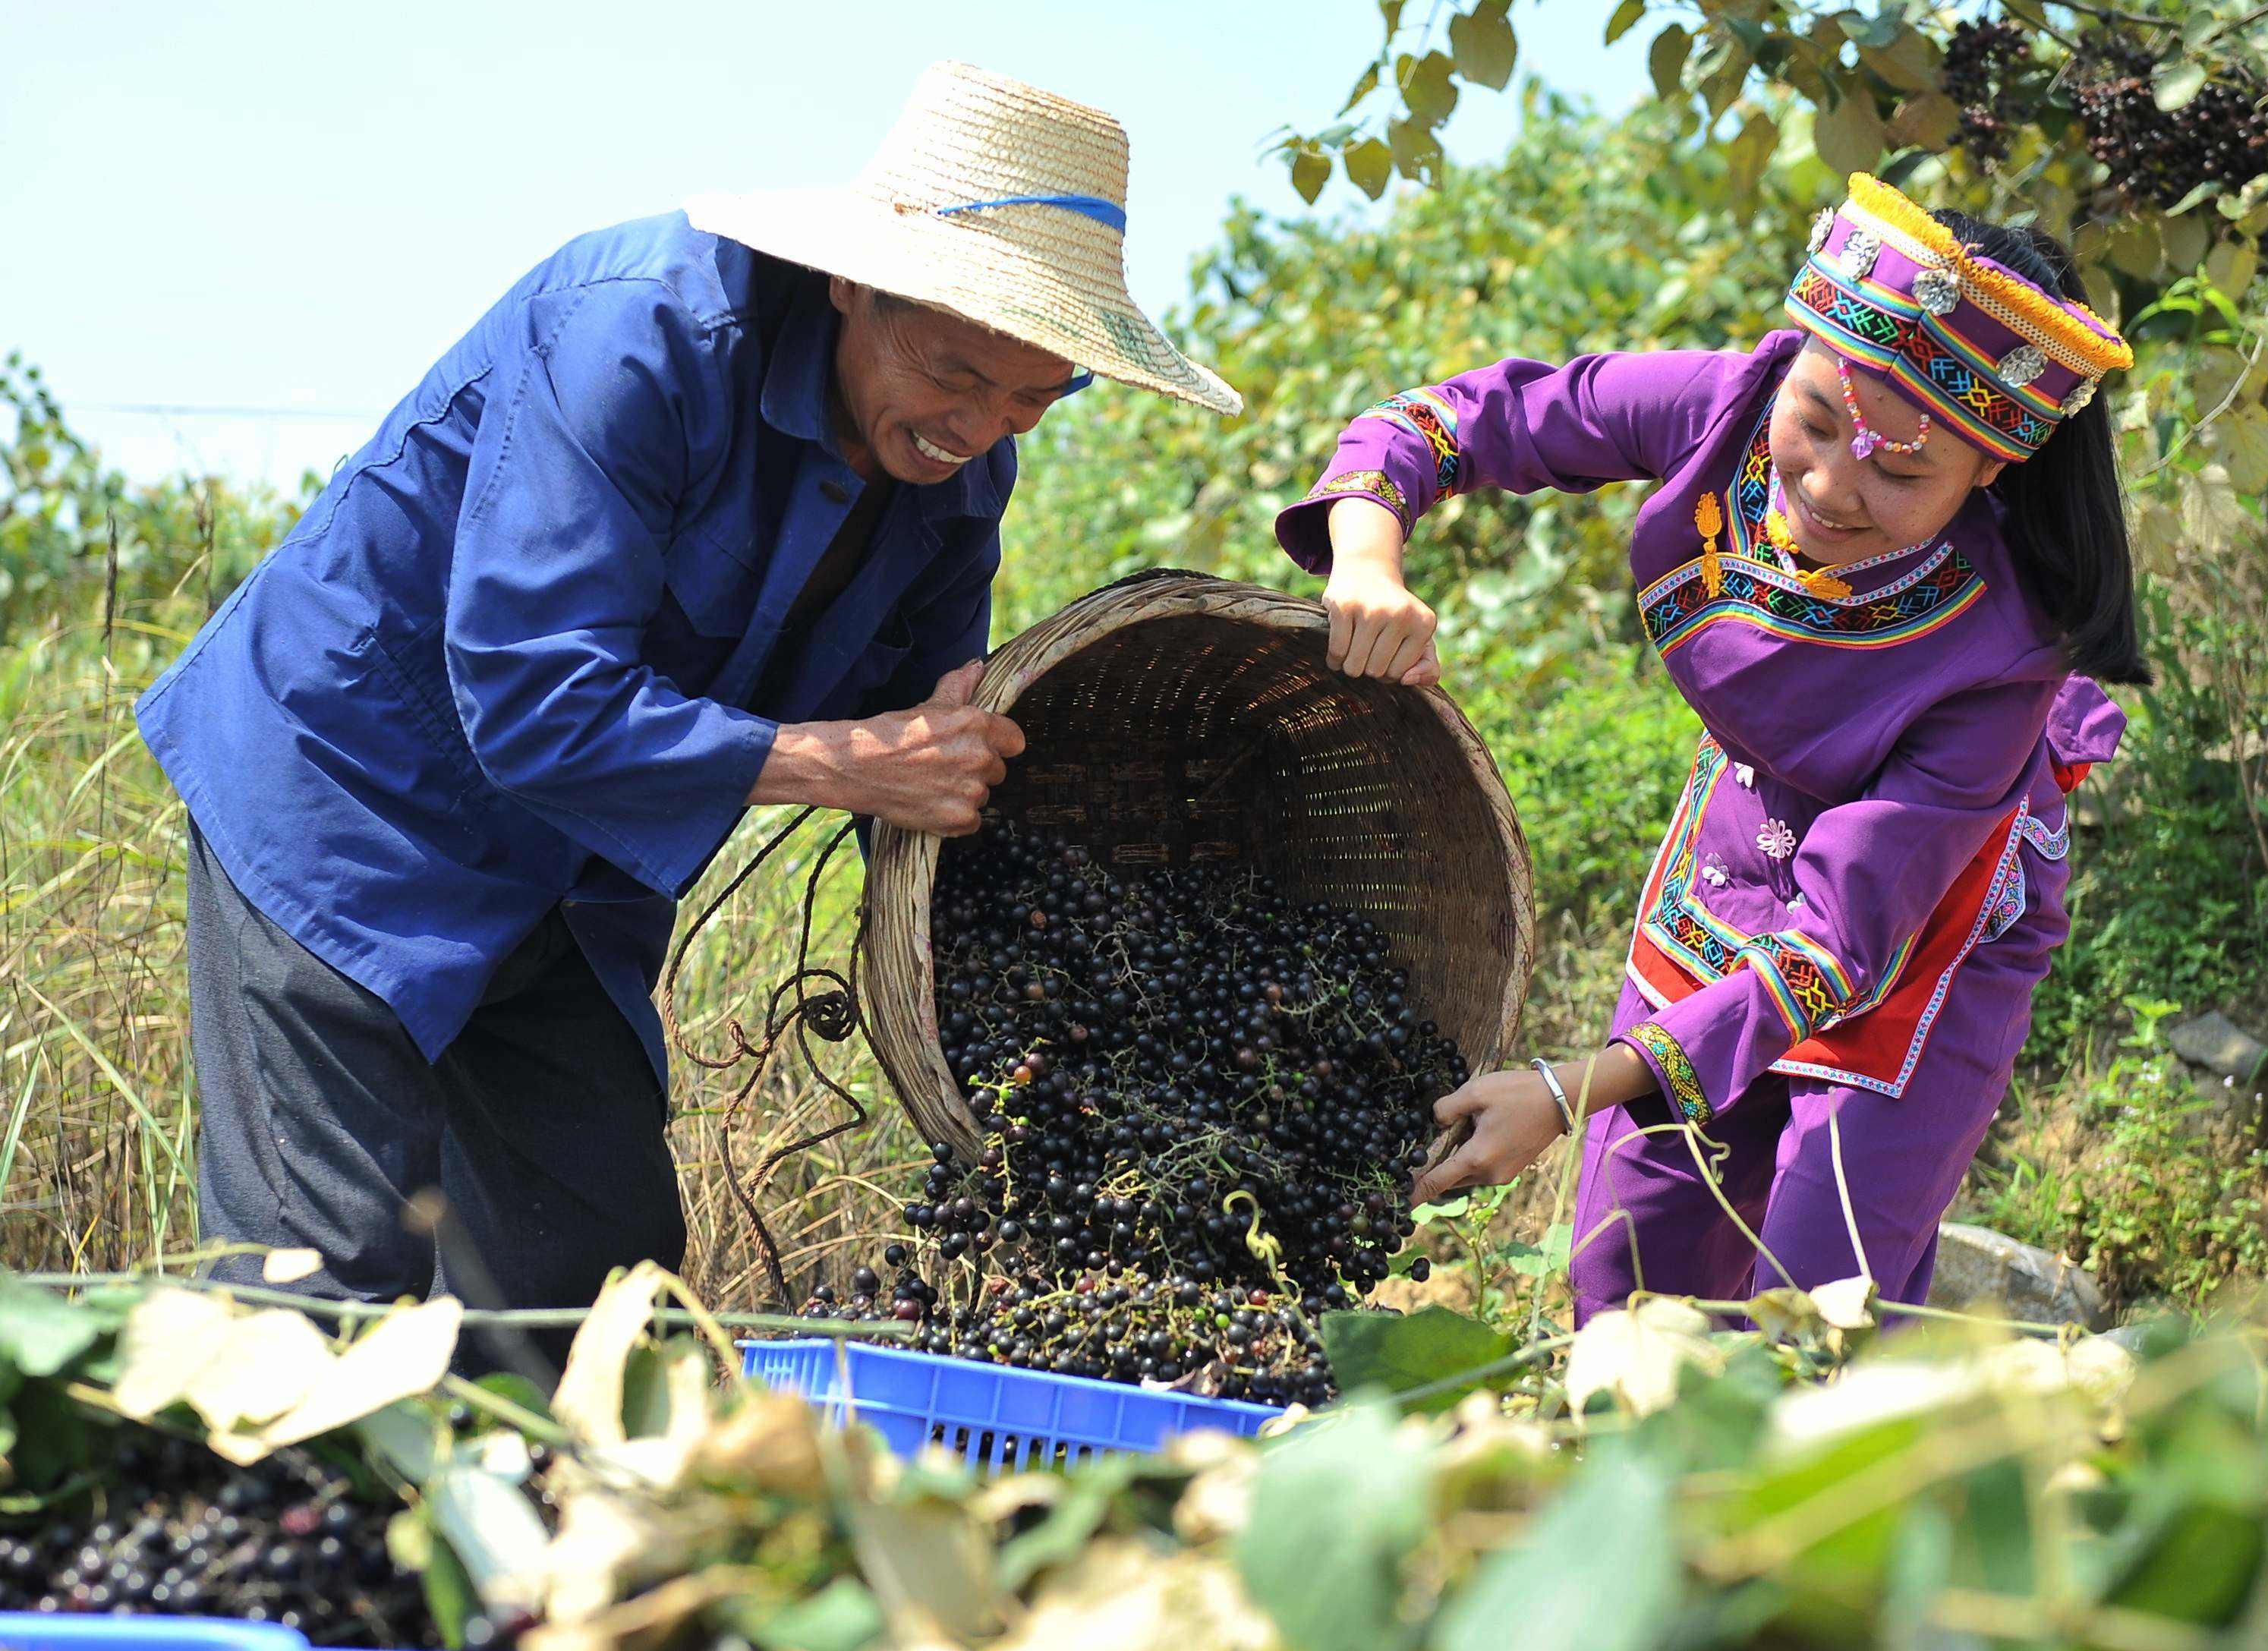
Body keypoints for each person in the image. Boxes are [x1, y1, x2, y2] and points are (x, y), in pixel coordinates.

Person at [137, 61, 1239, 1319]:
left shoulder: (957, 478)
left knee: (589, 1286)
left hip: (567, 866)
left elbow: (930, 746)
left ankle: (516, 1508)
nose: (981, 428)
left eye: (1034, 398)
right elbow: (536, 699)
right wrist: (844, 765)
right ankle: (278, 1503)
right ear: (852, 285)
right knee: (319, 1283)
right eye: (951, 373)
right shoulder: (640, 336)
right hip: (347, 801)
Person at [1280, 173, 2140, 1319]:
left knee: (1819, 1298)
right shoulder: (1722, 407)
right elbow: (1439, 424)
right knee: (1627, 1282)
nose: (1828, 487)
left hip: (1920, 925)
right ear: (1792, 368)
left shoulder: (2001, 654)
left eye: (1898, 471)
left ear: (1990, 470)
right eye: (1817, 424)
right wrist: (1367, 560)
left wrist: (1563, 1087)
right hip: (1734, 847)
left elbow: (1840, 949)